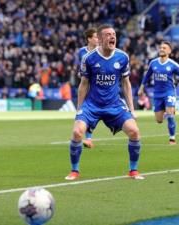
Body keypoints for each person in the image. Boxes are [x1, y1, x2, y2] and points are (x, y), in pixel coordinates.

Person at [65, 24, 143, 180]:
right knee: (76, 132)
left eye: (114, 34)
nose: (112, 36)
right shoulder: (89, 58)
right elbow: (84, 84)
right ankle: (74, 170)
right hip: (92, 104)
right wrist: (80, 109)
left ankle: (133, 170)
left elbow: (126, 84)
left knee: (134, 131)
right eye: (108, 34)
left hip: (114, 104)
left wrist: (132, 109)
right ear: (99, 39)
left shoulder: (122, 57)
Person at [138, 41, 179, 145]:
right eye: (161, 47)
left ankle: (172, 138)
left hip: (169, 92)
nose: (161, 49)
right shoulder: (153, 63)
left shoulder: (173, 64)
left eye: (164, 48)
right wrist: (141, 88)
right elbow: (147, 76)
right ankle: (169, 110)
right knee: (159, 120)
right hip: (157, 93)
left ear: (169, 51)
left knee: (170, 115)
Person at [77, 28, 98, 149]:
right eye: (95, 37)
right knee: (84, 109)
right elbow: (79, 66)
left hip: (97, 85)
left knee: (93, 111)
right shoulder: (81, 52)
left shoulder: (101, 51)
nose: (98, 39)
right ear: (89, 39)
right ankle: (88, 138)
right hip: (85, 84)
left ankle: (88, 137)